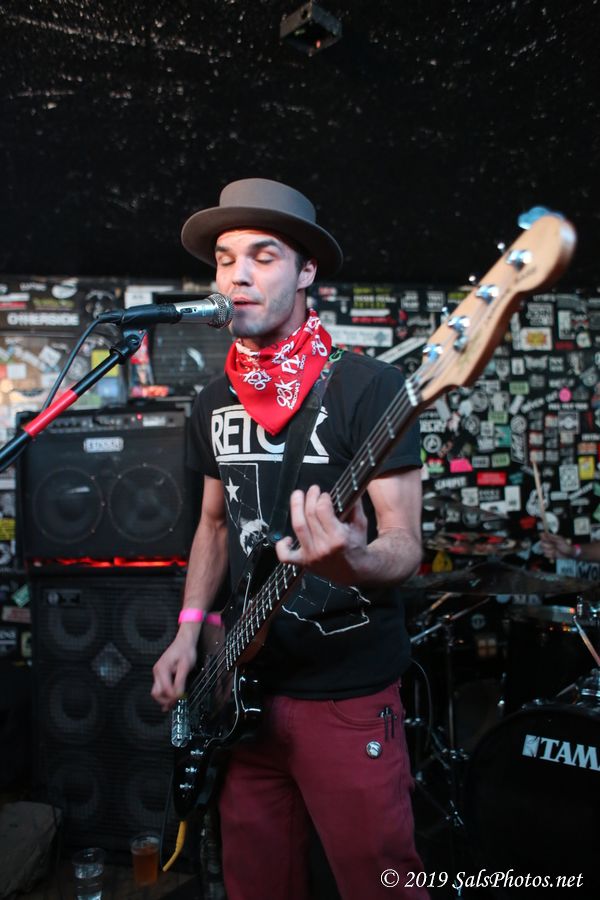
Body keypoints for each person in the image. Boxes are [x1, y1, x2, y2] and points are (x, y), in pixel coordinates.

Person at [151, 178, 427, 900]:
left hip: (346, 695)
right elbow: (214, 525)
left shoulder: (370, 387)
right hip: (241, 693)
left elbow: (405, 544)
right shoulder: (213, 401)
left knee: (381, 884)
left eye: (263, 256)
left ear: (306, 272)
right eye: (224, 259)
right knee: (256, 884)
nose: (236, 275)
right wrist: (188, 632)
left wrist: (354, 560)